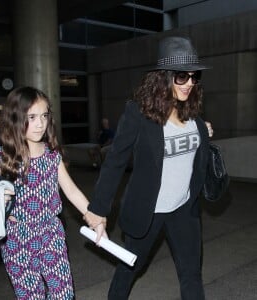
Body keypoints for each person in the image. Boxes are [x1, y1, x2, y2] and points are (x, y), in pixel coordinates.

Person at [84, 36, 214, 299]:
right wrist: (98, 208)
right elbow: (115, 161)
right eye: (181, 76)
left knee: (191, 274)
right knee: (129, 268)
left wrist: (203, 134)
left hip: (184, 210)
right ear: (164, 77)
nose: (189, 83)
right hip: (149, 210)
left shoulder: (192, 114)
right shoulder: (139, 113)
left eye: (193, 76)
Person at [0, 86, 106, 299]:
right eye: (31, 117)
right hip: (16, 238)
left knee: (63, 293)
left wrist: (95, 219)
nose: (40, 123)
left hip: (50, 233)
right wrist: (1, 204)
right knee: (31, 296)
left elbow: (71, 191)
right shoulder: (1, 157)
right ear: (15, 118)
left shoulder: (52, 156)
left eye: (44, 116)